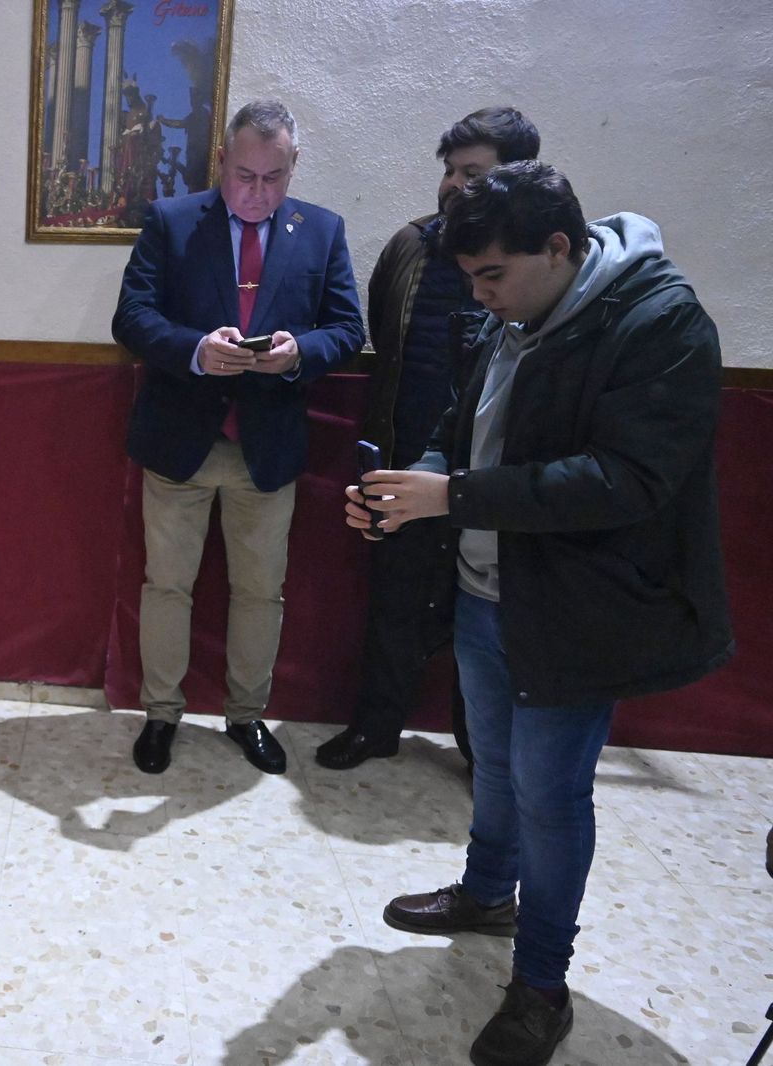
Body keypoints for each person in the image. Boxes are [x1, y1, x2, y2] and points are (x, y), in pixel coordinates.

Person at [346, 161, 733, 1065]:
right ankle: (486, 894)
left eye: (494, 277)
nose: (482, 297)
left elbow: (626, 481)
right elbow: (458, 419)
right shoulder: (511, 312)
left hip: (576, 609)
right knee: (499, 774)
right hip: (487, 591)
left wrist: (457, 496)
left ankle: (541, 986)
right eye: (471, 280)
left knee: (554, 799)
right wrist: (421, 483)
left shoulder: (661, 322)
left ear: (558, 248)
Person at [113, 99, 364, 776]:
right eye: (245, 176)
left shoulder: (322, 230)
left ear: (293, 166)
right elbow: (132, 318)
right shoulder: (172, 221)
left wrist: (298, 352)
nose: (257, 193)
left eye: (273, 178)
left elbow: (347, 329)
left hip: (267, 445)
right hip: (179, 443)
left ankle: (247, 716)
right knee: (167, 586)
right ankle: (161, 716)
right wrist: (196, 348)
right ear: (222, 161)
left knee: (261, 592)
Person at [317, 107, 540, 772]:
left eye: (472, 172)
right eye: (448, 170)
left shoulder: (536, 262)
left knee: (485, 620)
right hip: (406, 458)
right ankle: (375, 727)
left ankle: (482, 756)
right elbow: (386, 341)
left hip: (495, 479)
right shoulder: (410, 245)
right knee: (395, 601)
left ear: (515, 179)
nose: (452, 185)